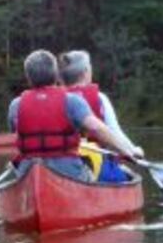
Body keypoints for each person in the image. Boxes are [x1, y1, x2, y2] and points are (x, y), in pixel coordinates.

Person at [8, 49, 141, 182]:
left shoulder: (16, 105)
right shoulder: (71, 100)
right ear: (55, 74)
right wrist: (127, 151)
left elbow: (16, 134)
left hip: (29, 170)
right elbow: (97, 128)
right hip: (68, 170)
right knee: (98, 176)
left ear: (28, 77)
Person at [59, 50, 144, 182]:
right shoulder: (100, 98)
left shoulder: (54, 99)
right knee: (124, 175)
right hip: (95, 165)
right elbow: (114, 131)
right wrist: (133, 150)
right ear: (85, 71)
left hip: (63, 164)